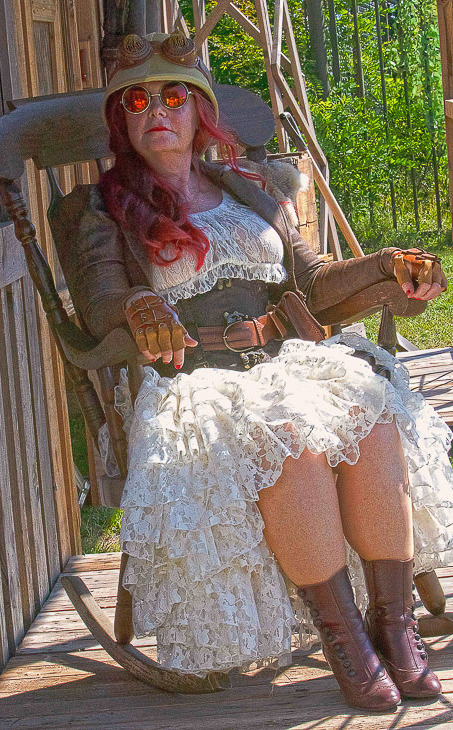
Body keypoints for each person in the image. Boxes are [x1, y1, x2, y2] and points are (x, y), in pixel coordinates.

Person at [53, 31, 453, 712]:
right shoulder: (96, 208)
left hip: (282, 363)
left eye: (174, 97)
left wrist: (386, 265)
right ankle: (347, 644)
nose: (158, 111)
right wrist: (139, 304)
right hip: (193, 384)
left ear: (199, 111)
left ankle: (394, 628)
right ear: (121, 122)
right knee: (290, 438)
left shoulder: (247, 188)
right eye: (138, 102)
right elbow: (97, 304)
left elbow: (314, 281)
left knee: (373, 416)